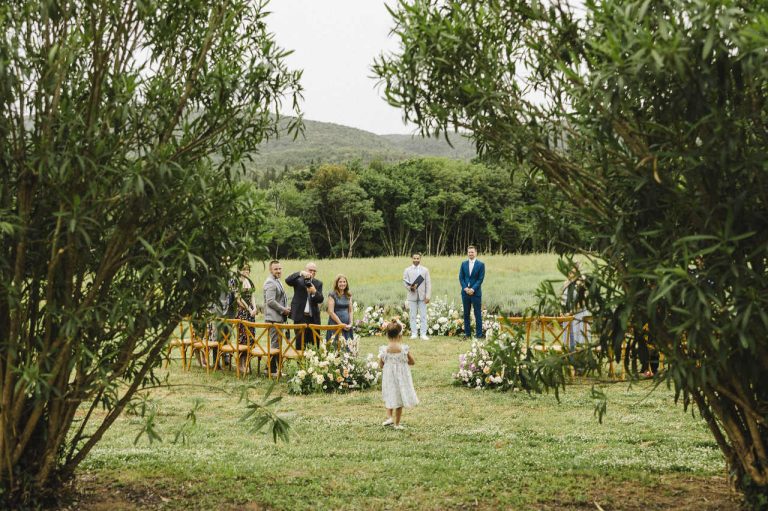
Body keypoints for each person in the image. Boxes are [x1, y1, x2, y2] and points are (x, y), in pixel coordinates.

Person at [378, 320, 419, 430]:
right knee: (399, 398)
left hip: (389, 377)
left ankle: (389, 417)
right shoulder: (404, 349)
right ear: (400, 335)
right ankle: (397, 424)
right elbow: (412, 362)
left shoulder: (384, 350)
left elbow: (381, 365)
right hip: (401, 377)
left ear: (387, 335)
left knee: (389, 395)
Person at [286, 262, 324, 350]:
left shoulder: (318, 283)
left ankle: (312, 363)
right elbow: (287, 280)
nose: (312, 272)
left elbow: (320, 299)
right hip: (300, 317)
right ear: (306, 270)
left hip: (313, 318)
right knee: (300, 343)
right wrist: (300, 273)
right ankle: (301, 363)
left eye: (314, 271)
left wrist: (314, 291)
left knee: (314, 344)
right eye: (310, 270)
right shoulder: (298, 280)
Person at [264, 260, 291, 377]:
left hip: (278, 318)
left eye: (280, 269)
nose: (278, 271)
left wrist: (286, 307)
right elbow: (270, 301)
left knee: (277, 343)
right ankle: (273, 371)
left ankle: (268, 368)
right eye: (276, 269)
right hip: (273, 319)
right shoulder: (270, 282)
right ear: (271, 270)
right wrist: (283, 310)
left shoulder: (277, 281)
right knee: (275, 344)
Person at [403, 252, 431, 341]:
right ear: (412, 258)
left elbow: (428, 284)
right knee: (412, 316)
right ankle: (414, 333)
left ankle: (423, 334)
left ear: (420, 259)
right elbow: (404, 282)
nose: (416, 260)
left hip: (422, 297)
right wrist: (410, 287)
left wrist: (428, 296)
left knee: (423, 316)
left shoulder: (425, 270)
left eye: (417, 258)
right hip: (412, 296)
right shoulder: (407, 270)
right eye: (414, 258)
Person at [458, 245, 485, 339]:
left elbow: (480, 279)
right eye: (469, 252)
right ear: (467, 253)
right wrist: (465, 288)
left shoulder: (481, 265)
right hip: (465, 293)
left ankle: (479, 335)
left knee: (477, 314)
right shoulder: (463, 264)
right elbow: (461, 277)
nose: (470, 254)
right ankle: (467, 334)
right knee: (466, 314)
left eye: (472, 252)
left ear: (476, 253)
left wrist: (473, 289)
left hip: (476, 293)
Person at [235, 263, 258, 373]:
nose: (246, 271)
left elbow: (253, 295)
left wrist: (254, 308)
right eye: (244, 269)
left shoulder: (249, 281)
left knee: (250, 336)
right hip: (242, 313)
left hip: (251, 313)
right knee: (242, 337)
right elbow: (239, 299)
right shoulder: (238, 282)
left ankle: (246, 362)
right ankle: (240, 364)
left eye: (248, 269)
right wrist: (248, 309)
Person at [326, 274, 353, 347]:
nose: (342, 284)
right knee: (335, 345)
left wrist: (351, 323)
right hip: (335, 324)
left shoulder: (349, 294)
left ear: (346, 283)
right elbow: (330, 312)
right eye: (340, 282)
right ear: (337, 283)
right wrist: (340, 324)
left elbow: (350, 310)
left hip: (347, 324)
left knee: (347, 345)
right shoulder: (332, 294)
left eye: (344, 282)